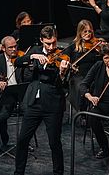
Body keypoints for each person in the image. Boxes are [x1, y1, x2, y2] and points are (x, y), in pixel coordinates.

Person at [13, 26, 69, 175]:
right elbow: (17, 62)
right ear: (41, 41)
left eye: (54, 43)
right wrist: (33, 57)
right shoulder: (35, 50)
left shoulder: (63, 55)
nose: (51, 47)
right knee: (23, 140)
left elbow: (64, 84)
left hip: (53, 105)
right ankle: (18, 173)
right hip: (34, 103)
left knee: (54, 143)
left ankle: (58, 173)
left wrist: (62, 73)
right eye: (48, 44)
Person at [80, 42, 109, 158]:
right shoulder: (98, 66)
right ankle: (104, 148)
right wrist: (90, 96)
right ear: (102, 58)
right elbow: (83, 85)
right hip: (101, 105)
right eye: (106, 58)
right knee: (91, 117)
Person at [0, 36, 25, 150]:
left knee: (32, 112)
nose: (14, 50)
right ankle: (5, 141)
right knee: (1, 116)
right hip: (4, 96)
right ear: (3, 48)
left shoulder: (21, 59)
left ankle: (24, 141)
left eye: (15, 47)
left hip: (20, 94)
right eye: (10, 47)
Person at [63, 19, 103, 113]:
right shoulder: (73, 45)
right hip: (78, 75)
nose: (88, 34)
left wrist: (102, 49)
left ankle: (96, 112)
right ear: (80, 32)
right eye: (85, 31)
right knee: (81, 86)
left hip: (93, 75)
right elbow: (64, 58)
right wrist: (68, 64)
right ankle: (82, 112)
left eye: (90, 31)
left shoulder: (96, 45)